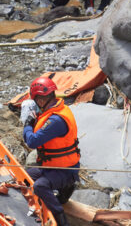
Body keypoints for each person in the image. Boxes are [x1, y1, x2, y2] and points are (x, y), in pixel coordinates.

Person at [22, 76, 80, 226]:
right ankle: (53, 196)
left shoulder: (55, 121)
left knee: (39, 186)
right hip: (53, 166)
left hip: (66, 171)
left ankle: (61, 219)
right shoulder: (57, 109)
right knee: (25, 177)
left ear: (40, 100)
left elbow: (32, 141)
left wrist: (28, 125)